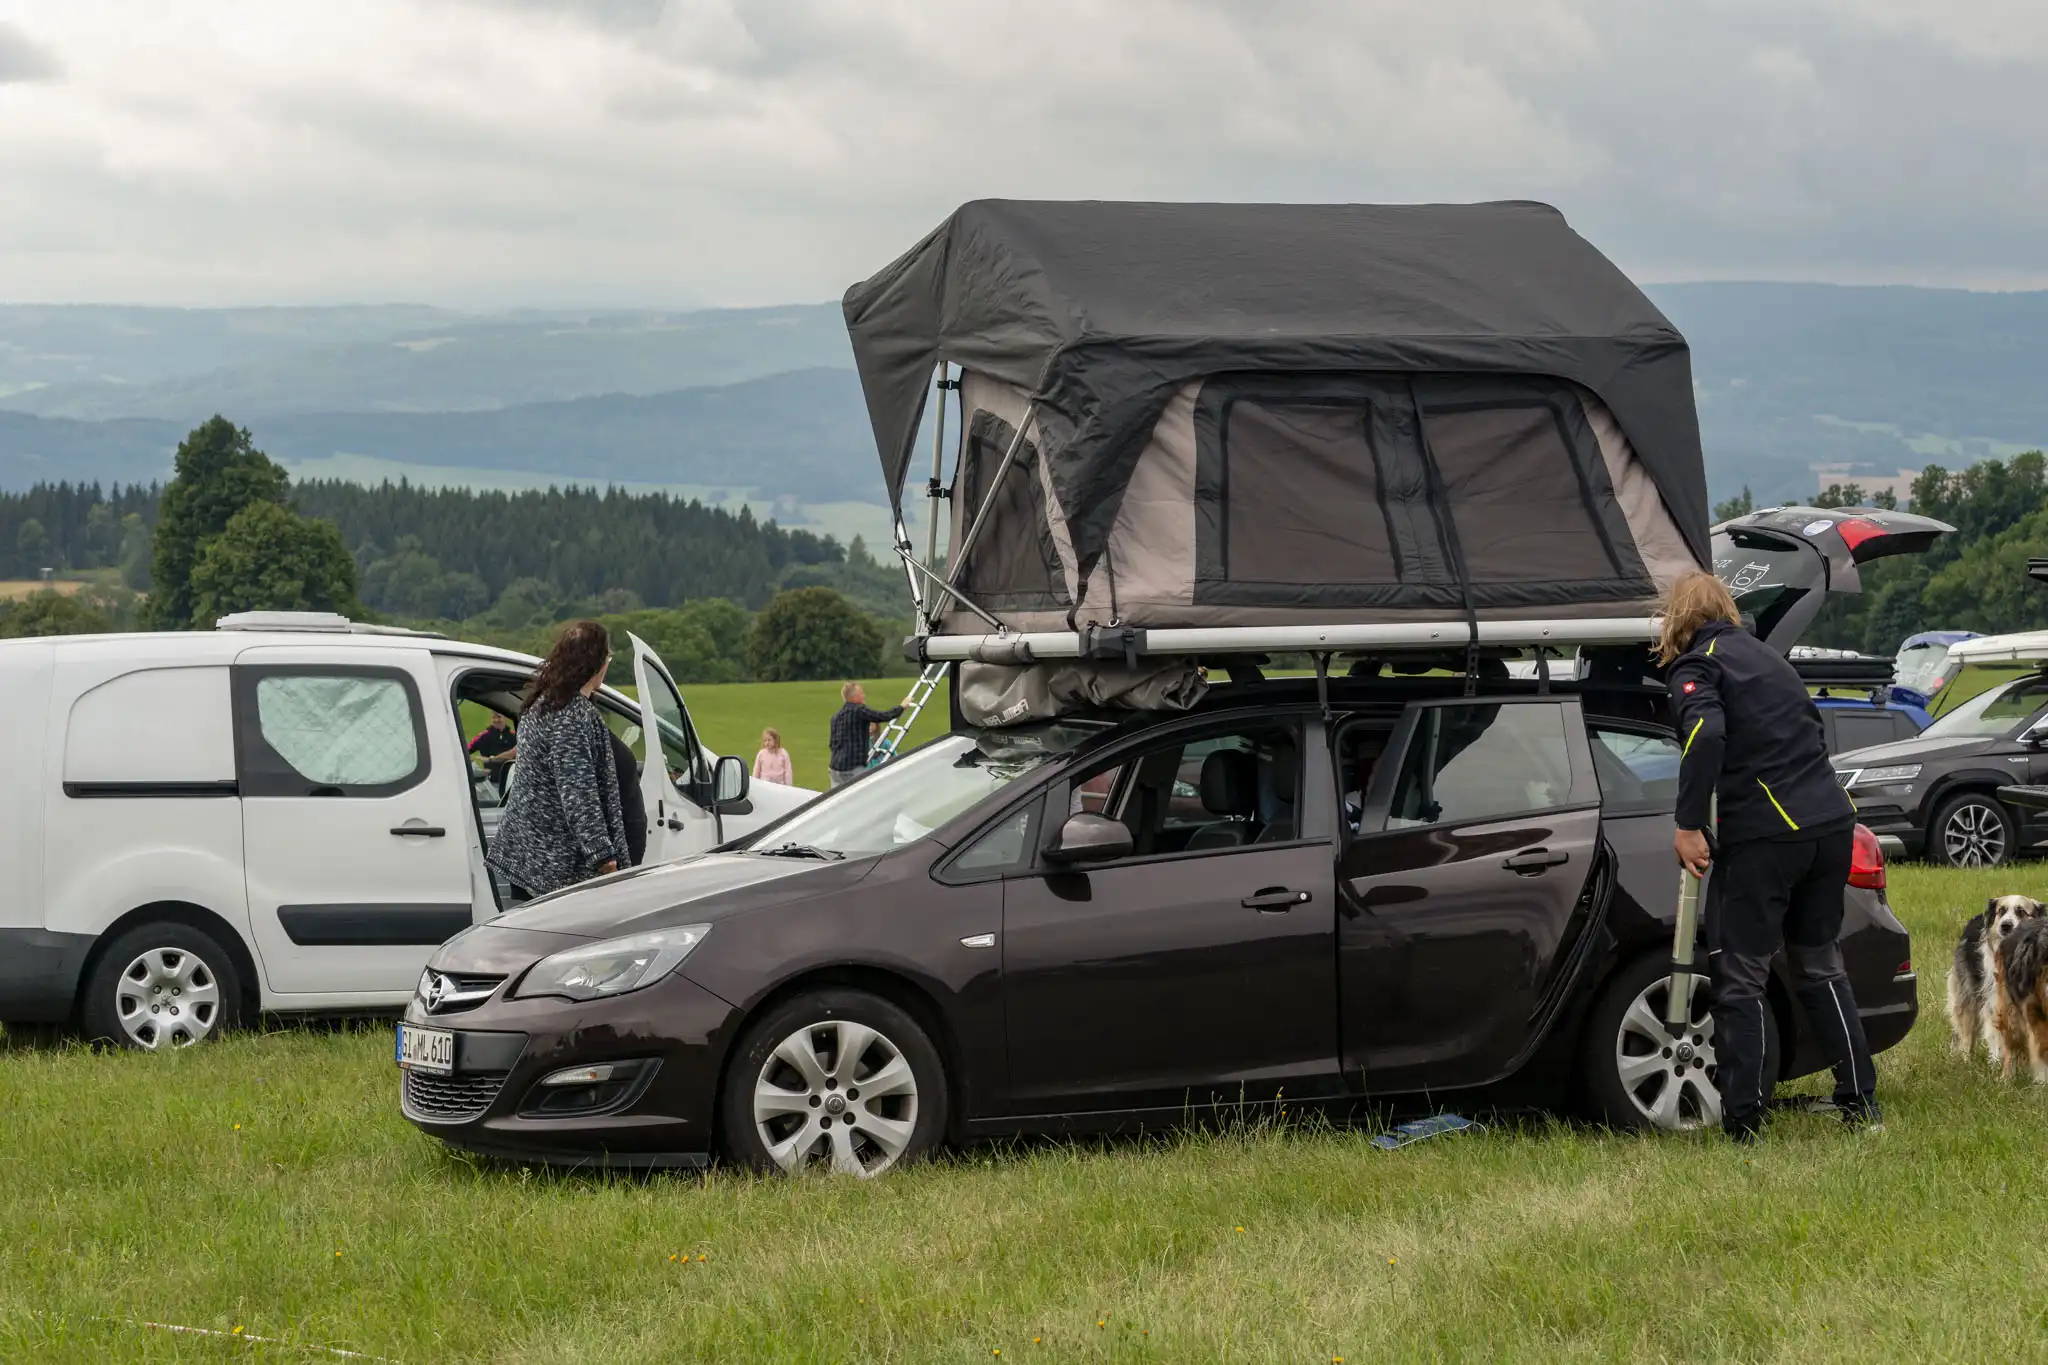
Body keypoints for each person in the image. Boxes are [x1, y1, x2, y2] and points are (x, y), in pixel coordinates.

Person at [1660, 570, 1879, 1140]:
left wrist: (1688, 824)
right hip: (1831, 821)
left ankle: (1744, 1124)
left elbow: (1705, 734)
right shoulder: (1769, 658)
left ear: (1676, 618)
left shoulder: (1698, 664)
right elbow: (1809, 726)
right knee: (1821, 964)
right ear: (1726, 608)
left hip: (1769, 834)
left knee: (1740, 975)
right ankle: (1861, 1104)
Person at [486, 621, 632, 900]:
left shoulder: (540, 705)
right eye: (608, 657)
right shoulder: (571, 715)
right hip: (556, 866)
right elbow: (577, 792)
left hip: (532, 854)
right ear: (596, 663)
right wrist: (604, 856)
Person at [827, 682, 904, 787]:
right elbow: (883, 716)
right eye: (861, 693)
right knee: (865, 794)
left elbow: (832, 744)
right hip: (852, 769)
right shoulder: (858, 710)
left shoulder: (836, 717)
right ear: (854, 697)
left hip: (834, 769)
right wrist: (902, 707)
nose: (864, 696)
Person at [466, 711, 517, 793]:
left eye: (499, 717)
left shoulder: (514, 736)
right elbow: (464, 751)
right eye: (494, 717)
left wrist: (490, 759)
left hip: (511, 782)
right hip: (490, 783)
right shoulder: (484, 736)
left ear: (506, 718)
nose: (496, 720)